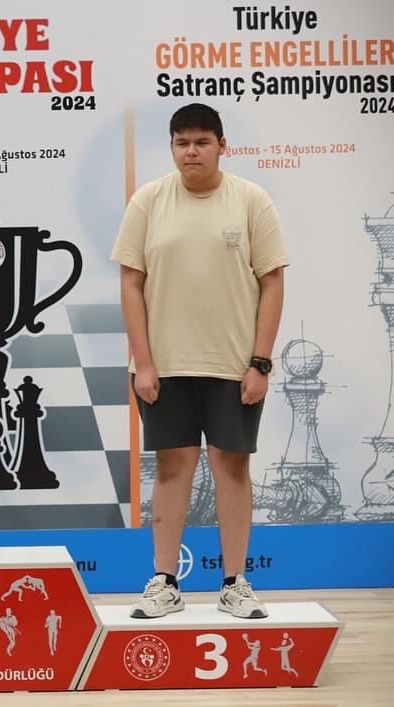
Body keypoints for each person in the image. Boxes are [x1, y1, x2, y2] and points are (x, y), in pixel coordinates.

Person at [111, 103, 288, 619]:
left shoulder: (251, 200)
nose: (191, 151)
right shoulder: (148, 201)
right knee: (171, 470)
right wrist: (144, 363)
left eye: (202, 142)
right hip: (163, 369)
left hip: (234, 368)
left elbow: (273, 281)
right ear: (171, 146)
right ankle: (164, 582)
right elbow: (131, 283)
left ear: (221, 146)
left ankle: (235, 583)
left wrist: (260, 363)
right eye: (182, 142)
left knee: (232, 469)